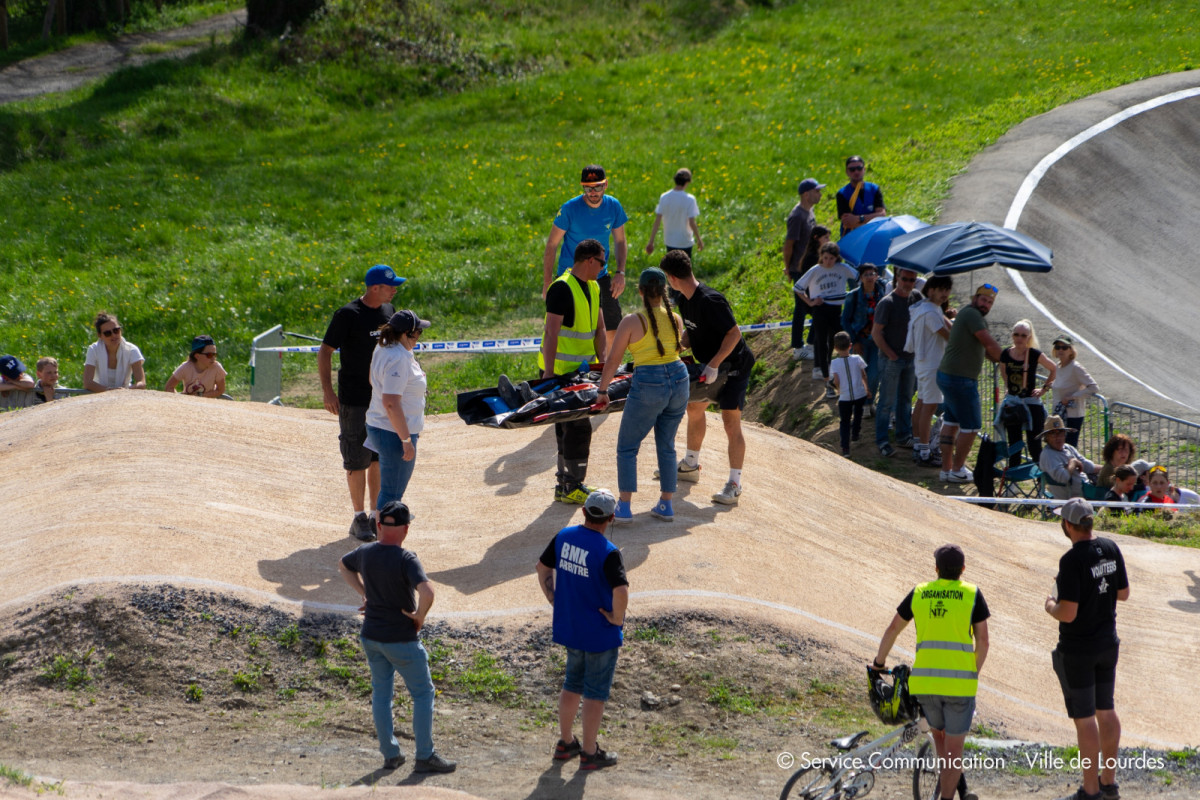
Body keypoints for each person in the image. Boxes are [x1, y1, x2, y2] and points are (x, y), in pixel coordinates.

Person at [338, 500, 456, 775]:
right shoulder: (406, 558)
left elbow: (343, 566)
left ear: (379, 526)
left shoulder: (365, 552)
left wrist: (364, 592)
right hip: (402, 640)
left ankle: (391, 754)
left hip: (371, 637)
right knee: (423, 693)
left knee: (382, 693)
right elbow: (427, 593)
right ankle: (425, 755)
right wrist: (419, 617)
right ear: (406, 529)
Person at [872, 544, 989, 800]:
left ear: (936, 569)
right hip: (959, 687)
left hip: (925, 685)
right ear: (963, 569)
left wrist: (879, 663)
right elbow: (983, 642)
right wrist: (972, 672)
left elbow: (893, 629)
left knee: (941, 744)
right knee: (954, 753)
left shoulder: (920, 592)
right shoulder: (972, 594)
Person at [535, 489, 628, 771]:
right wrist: (617, 618)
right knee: (595, 694)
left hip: (571, 628)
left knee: (571, 685)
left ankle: (566, 743)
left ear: (584, 512)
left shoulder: (564, 536)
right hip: (599, 634)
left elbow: (542, 567)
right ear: (611, 518)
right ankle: (589, 753)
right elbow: (621, 590)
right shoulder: (608, 552)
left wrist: (553, 598)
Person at [1044, 498, 1129, 800]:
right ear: (1090, 522)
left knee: (1085, 719)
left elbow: (1068, 613)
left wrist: (1051, 605)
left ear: (1068, 525)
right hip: (1108, 642)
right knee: (1106, 711)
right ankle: (1108, 783)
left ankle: (1090, 790)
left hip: (1079, 649)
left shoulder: (1071, 560)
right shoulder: (1110, 547)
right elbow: (1123, 593)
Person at [659, 250, 755, 506]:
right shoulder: (684, 299)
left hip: (734, 366)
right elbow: (694, 332)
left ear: (671, 278)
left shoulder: (711, 300)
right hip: (711, 367)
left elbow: (733, 334)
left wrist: (713, 365)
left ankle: (735, 484)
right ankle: (691, 465)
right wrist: (677, 346)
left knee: (730, 422)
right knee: (694, 407)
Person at [596, 267, 689, 523]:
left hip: (649, 382)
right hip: (680, 380)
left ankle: (624, 507)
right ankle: (666, 504)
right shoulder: (676, 318)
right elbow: (679, 348)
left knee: (627, 447)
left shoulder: (631, 321)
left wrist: (602, 390)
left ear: (640, 291)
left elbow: (614, 359)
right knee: (667, 444)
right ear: (664, 291)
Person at [320, 264, 403, 541]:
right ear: (374, 287)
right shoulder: (347, 314)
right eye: (390, 286)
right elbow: (325, 352)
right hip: (354, 399)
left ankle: (375, 514)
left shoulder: (389, 313)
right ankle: (358, 518)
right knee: (356, 458)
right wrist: (328, 392)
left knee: (377, 458)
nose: (395, 290)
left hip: (382, 399)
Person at [541, 239, 608, 505]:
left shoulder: (593, 286)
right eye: (602, 262)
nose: (604, 268)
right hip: (560, 371)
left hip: (583, 371)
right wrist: (548, 372)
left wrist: (603, 363)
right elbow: (551, 332)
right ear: (590, 259)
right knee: (577, 429)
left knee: (569, 428)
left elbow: (600, 329)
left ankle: (566, 484)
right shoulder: (561, 287)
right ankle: (571, 486)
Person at [543, 165, 627, 350]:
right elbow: (551, 245)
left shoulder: (613, 206)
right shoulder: (569, 209)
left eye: (597, 187)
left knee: (611, 324)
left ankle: (605, 367)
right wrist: (548, 281)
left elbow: (620, 241)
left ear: (605, 185)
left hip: (600, 275)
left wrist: (620, 272)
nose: (593, 192)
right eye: (588, 188)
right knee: (564, 326)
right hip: (570, 277)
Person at [936, 285, 1003, 482]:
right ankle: (957, 470)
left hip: (947, 375)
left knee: (951, 421)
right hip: (961, 379)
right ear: (975, 298)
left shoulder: (967, 313)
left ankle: (946, 470)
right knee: (972, 426)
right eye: (983, 300)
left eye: (990, 302)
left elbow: (985, 350)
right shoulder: (973, 315)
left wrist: (998, 358)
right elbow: (989, 343)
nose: (986, 305)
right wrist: (1011, 360)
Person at [367, 310, 430, 518]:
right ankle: (383, 538)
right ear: (406, 333)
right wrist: (405, 438)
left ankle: (380, 531)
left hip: (382, 426)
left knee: (389, 490)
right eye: (418, 332)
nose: (420, 336)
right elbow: (391, 403)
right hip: (393, 432)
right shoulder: (398, 358)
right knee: (392, 493)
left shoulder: (385, 348)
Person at [794, 242, 858, 392]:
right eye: (825, 258)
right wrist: (810, 301)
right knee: (822, 343)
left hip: (836, 310)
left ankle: (842, 371)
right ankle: (826, 379)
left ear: (836, 258)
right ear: (821, 257)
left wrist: (852, 297)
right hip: (820, 309)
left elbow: (858, 277)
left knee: (839, 339)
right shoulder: (815, 270)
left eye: (831, 258)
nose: (828, 261)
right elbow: (798, 288)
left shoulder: (842, 268)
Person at [871, 266, 921, 457]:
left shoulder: (916, 297)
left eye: (912, 280)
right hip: (891, 360)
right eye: (905, 279)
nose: (908, 283)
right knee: (886, 402)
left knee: (906, 399)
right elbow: (876, 333)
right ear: (897, 279)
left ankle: (903, 435)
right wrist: (891, 354)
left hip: (910, 358)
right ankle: (882, 441)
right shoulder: (887, 303)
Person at [906, 275, 953, 467]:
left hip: (924, 362)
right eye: (940, 289)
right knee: (929, 406)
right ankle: (925, 450)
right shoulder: (931, 312)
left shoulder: (925, 308)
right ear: (930, 289)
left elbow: (947, 325)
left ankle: (919, 443)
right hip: (932, 363)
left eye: (947, 290)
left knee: (923, 403)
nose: (944, 294)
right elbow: (947, 334)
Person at [999, 320, 1057, 464]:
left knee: (1034, 443)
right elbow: (1003, 371)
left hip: (1031, 401)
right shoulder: (1006, 353)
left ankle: (1040, 480)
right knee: (1014, 443)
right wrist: (1007, 386)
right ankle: (1013, 478)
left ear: (1029, 337)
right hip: (1013, 402)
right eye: (1016, 335)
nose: (1019, 338)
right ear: (1012, 335)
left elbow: (1054, 369)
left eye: (1023, 336)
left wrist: (1044, 389)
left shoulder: (1034, 354)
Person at [783, 179, 826, 361]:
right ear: (806, 194)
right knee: (801, 307)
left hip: (811, 267)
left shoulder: (810, 212)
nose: (820, 194)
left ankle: (810, 343)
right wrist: (789, 268)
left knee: (815, 304)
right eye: (817, 191)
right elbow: (789, 244)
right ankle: (798, 347)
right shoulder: (797, 216)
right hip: (799, 269)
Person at [840, 262, 886, 414]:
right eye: (866, 274)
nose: (870, 277)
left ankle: (868, 402)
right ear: (860, 278)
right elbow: (845, 320)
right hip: (860, 340)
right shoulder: (852, 296)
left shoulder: (883, 294)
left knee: (874, 374)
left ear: (877, 275)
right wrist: (854, 341)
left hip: (878, 341)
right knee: (859, 373)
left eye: (872, 274)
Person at [1050, 335, 1098, 449]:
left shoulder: (1076, 367)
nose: (1060, 350)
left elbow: (1093, 387)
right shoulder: (1058, 366)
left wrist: (1072, 397)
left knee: (1069, 447)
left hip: (1073, 415)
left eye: (1064, 347)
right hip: (1059, 413)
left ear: (1071, 350)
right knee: (1057, 446)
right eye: (1058, 347)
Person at [645, 168, 703, 259]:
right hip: (685, 241)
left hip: (670, 241)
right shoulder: (690, 199)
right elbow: (692, 222)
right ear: (687, 182)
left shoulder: (664, 197)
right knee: (684, 271)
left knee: (672, 271)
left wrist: (651, 241)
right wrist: (699, 240)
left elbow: (657, 221)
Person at [827, 331, 869, 457]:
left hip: (845, 397)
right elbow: (863, 375)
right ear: (850, 346)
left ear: (835, 348)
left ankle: (845, 448)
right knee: (858, 413)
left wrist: (839, 389)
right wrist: (867, 389)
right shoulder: (857, 359)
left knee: (844, 421)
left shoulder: (834, 363)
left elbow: (836, 380)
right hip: (859, 393)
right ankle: (855, 433)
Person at [1038, 415, 1100, 500]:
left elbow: (1087, 465)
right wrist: (1073, 463)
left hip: (1088, 488)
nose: (1058, 437)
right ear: (1047, 437)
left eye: (1060, 433)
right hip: (1073, 499)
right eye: (1053, 434)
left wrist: (1111, 467)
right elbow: (1063, 477)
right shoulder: (1048, 455)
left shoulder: (1067, 447)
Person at [83, 312, 146, 392]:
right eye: (107, 333)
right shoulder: (93, 349)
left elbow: (142, 383)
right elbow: (87, 383)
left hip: (125, 395)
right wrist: (110, 391)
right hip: (99, 395)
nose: (113, 335)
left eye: (116, 330)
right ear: (100, 336)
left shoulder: (132, 350)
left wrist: (124, 391)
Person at [836, 155, 887, 237]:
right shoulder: (842, 194)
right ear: (847, 172)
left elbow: (882, 215)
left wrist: (859, 219)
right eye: (852, 169)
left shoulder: (874, 189)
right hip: (852, 237)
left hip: (873, 235)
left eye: (859, 168)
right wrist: (873, 219)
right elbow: (848, 223)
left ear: (864, 169)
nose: (856, 172)